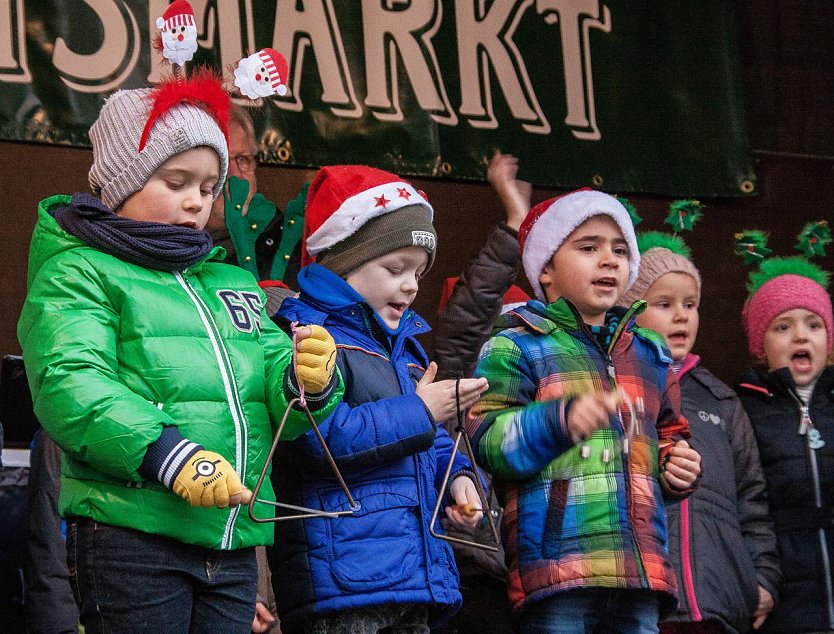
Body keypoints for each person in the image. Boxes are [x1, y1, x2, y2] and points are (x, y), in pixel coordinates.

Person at [16, 72, 342, 633]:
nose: (196, 200)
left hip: (232, 538)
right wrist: (171, 455)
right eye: (176, 180)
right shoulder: (78, 270)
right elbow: (71, 381)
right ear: (123, 181)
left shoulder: (228, 281)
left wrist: (303, 382)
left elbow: (269, 375)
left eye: (210, 185)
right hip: (132, 535)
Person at [467, 189, 702, 634]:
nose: (610, 260)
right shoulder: (516, 344)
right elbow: (489, 439)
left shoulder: (650, 355)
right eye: (589, 248)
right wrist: (559, 421)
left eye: (619, 250)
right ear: (547, 271)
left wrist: (676, 463)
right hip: (559, 574)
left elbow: (670, 433)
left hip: (641, 573)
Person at [268, 164, 490, 633]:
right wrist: (423, 409)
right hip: (343, 586)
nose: (411, 284)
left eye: (418, 271)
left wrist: (460, 480)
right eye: (395, 268)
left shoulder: (405, 344)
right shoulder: (309, 334)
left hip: (416, 575)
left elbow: (426, 436)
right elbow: (318, 440)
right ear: (343, 263)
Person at [618, 232, 780, 633]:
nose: (682, 315)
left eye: (690, 304)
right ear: (629, 311)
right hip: (642, 598)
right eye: (664, 304)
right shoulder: (616, 387)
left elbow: (752, 499)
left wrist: (761, 579)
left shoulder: (721, 399)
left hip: (718, 601)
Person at [431, 152, 530, 634]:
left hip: (529, 576)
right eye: (499, 328)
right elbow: (474, 306)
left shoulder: (543, 385)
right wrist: (514, 224)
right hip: (470, 572)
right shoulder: (456, 375)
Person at [736, 256, 834, 633]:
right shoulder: (744, 409)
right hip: (784, 601)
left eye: (814, 325)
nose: (801, 336)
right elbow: (745, 505)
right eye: (782, 326)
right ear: (760, 344)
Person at [207, 104, 304, 287]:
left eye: (243, 159)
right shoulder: (172, 248)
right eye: (223, 160)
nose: (235, 174)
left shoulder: (283, 241)